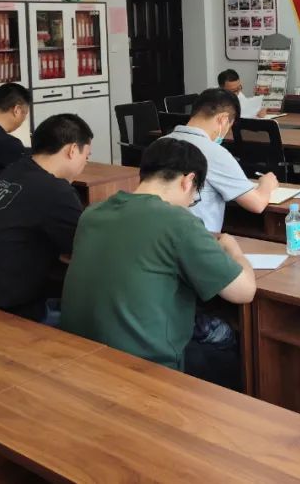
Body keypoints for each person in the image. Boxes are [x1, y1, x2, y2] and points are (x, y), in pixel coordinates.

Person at [61, 138, 256, 386]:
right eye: (194, 197)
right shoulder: (178, 222)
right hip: (145, 368)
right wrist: (234, 250)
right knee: (230, 345)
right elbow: (244, 291)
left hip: (82, 355)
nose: (190, 204)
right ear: (188, 181)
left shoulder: (92, 213)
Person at [0, 114, 93, 323]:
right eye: (86, 156)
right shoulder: (55, 191)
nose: (85, 163)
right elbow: (86, 250)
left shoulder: (15, 170)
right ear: (73, 150)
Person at [164, 88, 279, 232]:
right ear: (223, 119)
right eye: (229, 126)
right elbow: (257, 204)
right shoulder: (214, 152)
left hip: (161, 236)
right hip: (200, 238)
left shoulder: (160, 144)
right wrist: (266, 183)